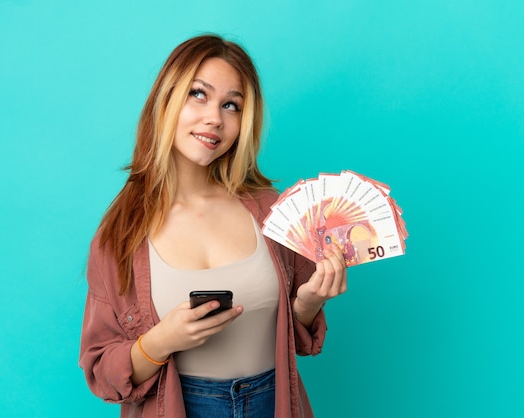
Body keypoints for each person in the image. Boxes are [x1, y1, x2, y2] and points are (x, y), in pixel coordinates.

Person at [79, 34, 347, 418]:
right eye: (198, 94)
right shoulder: (119, 237)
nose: (214, 119)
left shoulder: (275, 213)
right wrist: (160, 342)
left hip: (273, 403)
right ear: (166, 99)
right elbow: (102, 372)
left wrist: (308, 304)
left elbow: (299, 339)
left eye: (231, 105)